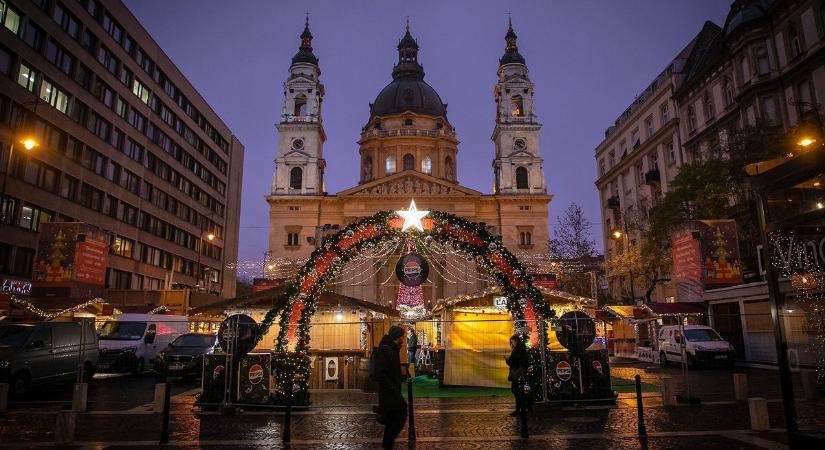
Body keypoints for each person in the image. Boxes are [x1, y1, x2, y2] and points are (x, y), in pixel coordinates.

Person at [374, 325, 408, 449]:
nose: (403, 340)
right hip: (389, 392)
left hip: (392, 390)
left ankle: (387, 444)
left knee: (393, 417)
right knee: (401, 413)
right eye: (402, 337)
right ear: (397, 337)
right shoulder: (386, 350)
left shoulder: (393, 348)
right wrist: (391, 387)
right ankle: (387, 444)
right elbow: (380, 372)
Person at [505, 334, 530, 417]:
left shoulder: (517, 350)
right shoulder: (522, 349)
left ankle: (519, 410)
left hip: (517, 373)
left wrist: (507, 359)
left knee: (517, 392)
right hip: (521, 373)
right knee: (520, 392)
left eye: (512, 342)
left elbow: (513, 361)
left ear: (515, 341)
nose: (512, 344)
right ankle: (524, 408)